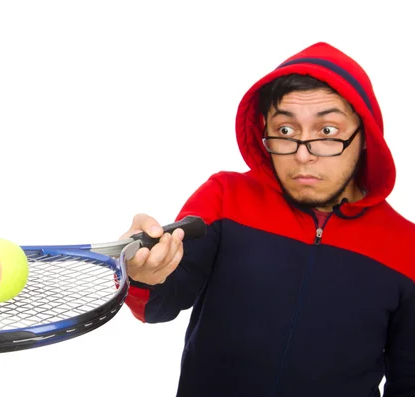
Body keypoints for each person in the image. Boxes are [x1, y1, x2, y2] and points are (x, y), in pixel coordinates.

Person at [119, 42, 415, 397]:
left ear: (365, 136)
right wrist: (144, 273)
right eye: (286, 131)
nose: (303, 155)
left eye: (327, 132)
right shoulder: (225, 197)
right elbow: (158, 305)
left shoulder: (406, 247)